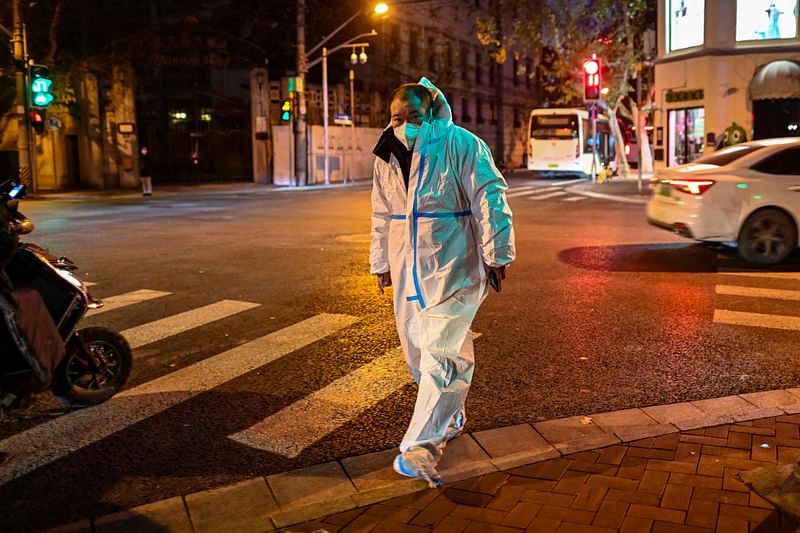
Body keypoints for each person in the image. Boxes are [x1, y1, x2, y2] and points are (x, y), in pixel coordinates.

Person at [370, 78, 515, 487]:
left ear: (431, 111)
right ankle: (449, 413)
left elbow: (490, 194)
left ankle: (419, 448)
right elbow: (380, 211)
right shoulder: (386, 153)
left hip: (455, 263)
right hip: (406, 265)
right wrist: (381, 260)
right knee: (418, 352)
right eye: (397, 118)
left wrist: (496, 252)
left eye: (413, 116)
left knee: (442, 351)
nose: (404, 125)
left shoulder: (462, 144)